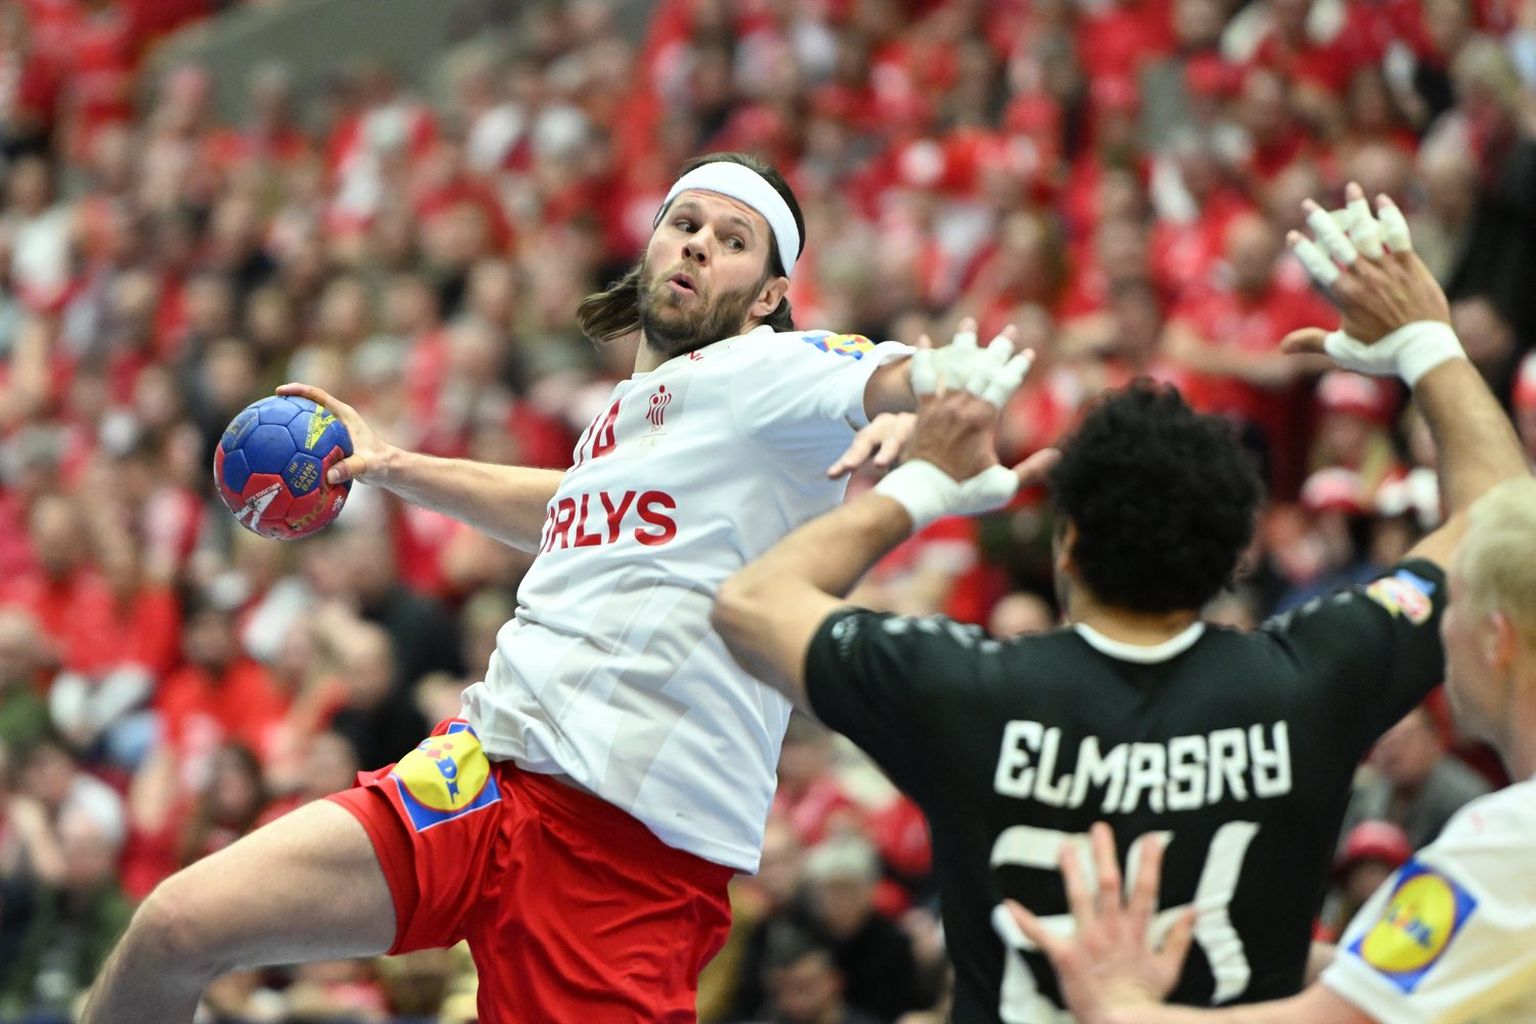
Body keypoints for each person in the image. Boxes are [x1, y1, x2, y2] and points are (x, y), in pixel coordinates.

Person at [83, 151, 1021, 1023]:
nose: (699, 243)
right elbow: (573, 508)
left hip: (621, 858)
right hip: (479, 778)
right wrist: (394, 464)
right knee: (174, 927)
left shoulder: (770, 371)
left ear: (771, 294)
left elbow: (884, 374)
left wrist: (942, 386)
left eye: (734, 240)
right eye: (684, 223)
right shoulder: (631, 414)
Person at [710, 184, 1530, 1022]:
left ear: (1065, 544)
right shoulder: (1318, 675)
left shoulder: (960, 687)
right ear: (1231, 556)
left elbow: (749, 601)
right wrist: (1428, 345)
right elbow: (1503, 527)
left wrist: (924, 484)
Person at [1014, 481, 1536, 1024]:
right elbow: (1413, 978)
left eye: (1454, 606)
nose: (1442, 633)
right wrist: (1265, 953)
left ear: (1496, 639)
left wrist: (1120, 1004)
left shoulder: (1506, 842)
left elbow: (1327, 1022)